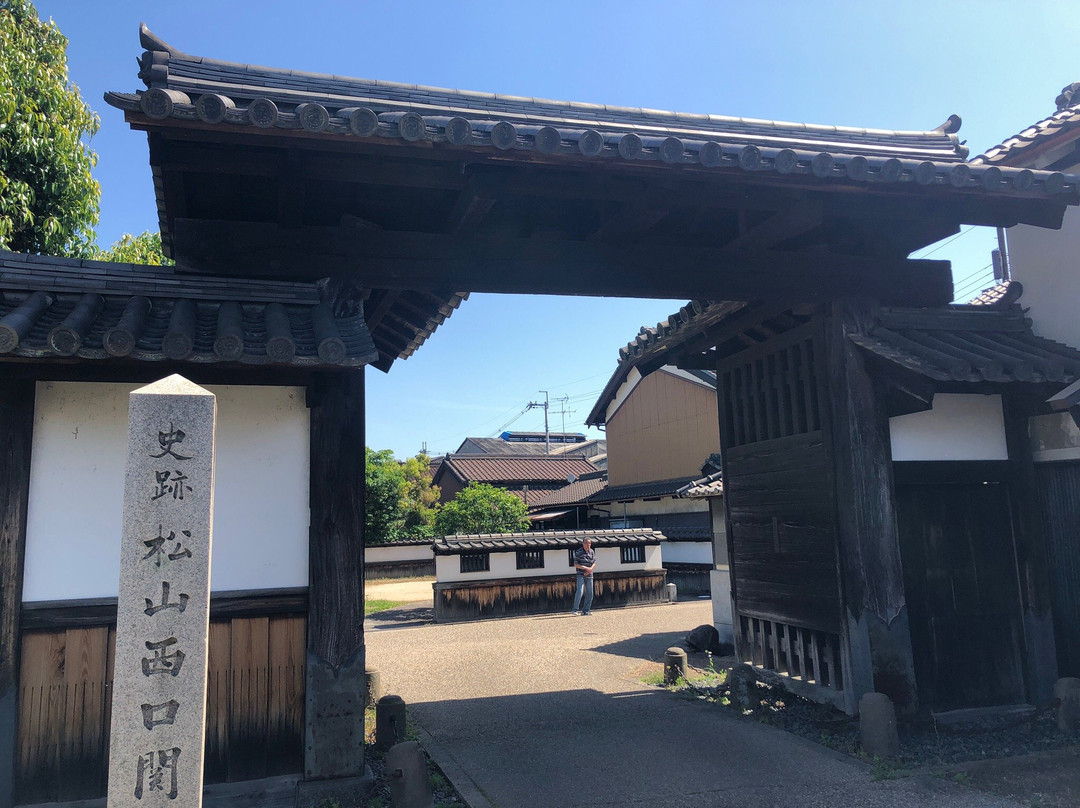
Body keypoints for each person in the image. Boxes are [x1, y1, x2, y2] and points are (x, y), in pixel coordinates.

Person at [571, 537, 596, 615]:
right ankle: (575, 609)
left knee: (590, 593)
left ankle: (586, 610)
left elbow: (594, 562)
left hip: (589, 574)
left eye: (589, 543)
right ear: (583, 543)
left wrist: (590, 569)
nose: (588, 545)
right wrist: (584, 568)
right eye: (587, 543)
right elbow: (575, 564)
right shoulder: (579, 552)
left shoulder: (592, 551)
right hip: (580, 574)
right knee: (580, 591)